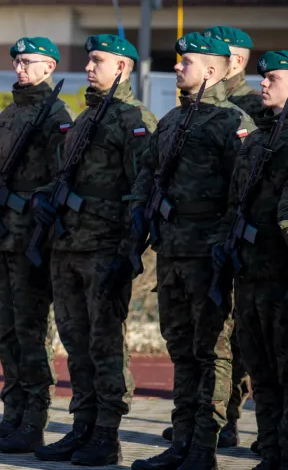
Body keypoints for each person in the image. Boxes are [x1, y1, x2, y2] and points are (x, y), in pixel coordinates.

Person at [130, 32, 255, 470]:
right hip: (172, 253)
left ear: (213, 71)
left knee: (213, 352)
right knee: (181, 350)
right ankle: (181, 443)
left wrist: (225, 245)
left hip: (209, 255)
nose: (178, 68)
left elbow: (243, 194)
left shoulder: (232, 123)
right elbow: (148, 177)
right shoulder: (171, 121)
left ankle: (204, 447)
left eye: (187, 63)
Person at [32, 35, 155, 466]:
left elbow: (142, 191)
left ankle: (107, 434)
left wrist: (128, 251)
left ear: (121, 67)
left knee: (105, 346)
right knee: (75, 342)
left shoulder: (133, 119)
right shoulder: (85, 118)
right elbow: (67, 175)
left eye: (98, 61)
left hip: (104, 248)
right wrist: (45, 197)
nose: (88, 67)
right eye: (87, 60)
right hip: (68, 246)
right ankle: (82, 426)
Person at [0, 37, 68, 452]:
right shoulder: (9, 113)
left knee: (30, 334)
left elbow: (58, 178)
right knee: (6, 332)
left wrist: (24, 203)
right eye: (16, 61)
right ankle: (11, 416)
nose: (19, 68)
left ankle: (33, 420)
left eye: (28, 62)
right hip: (1, 237)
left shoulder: (54, 115)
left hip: (28, 236)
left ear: (49, 67)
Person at [213, 50, 288, 470]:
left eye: (274, 77)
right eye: (262, 77)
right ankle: (272, 449)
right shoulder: (257, 140)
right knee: (260, 370)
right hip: (251, 275)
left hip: (280, 275)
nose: (263, 84)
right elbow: (234, 205)